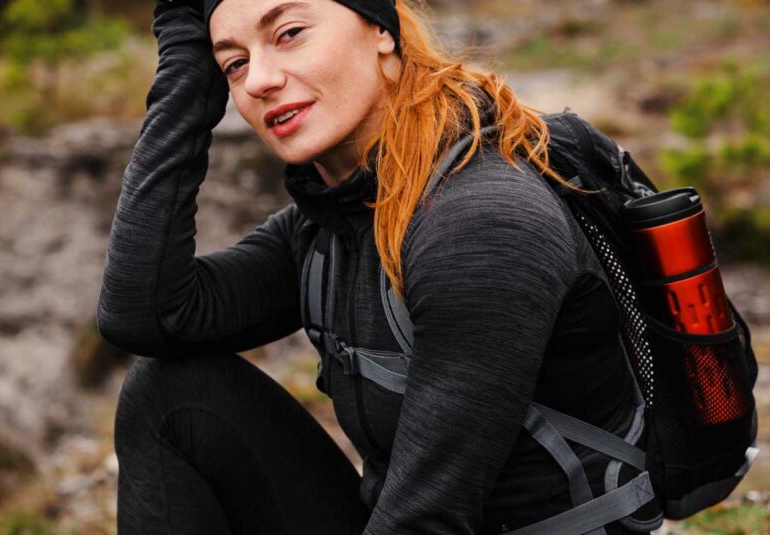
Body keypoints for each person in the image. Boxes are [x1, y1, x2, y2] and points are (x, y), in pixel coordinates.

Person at [97, 0, 651, 533]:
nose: (258, 80)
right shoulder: (338, 215)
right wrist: (185, 76)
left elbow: (426, 519)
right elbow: (148, 313)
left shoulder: (482, 223)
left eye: (289, 34)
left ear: (381, 30)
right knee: (168, 399)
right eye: (234, 64)